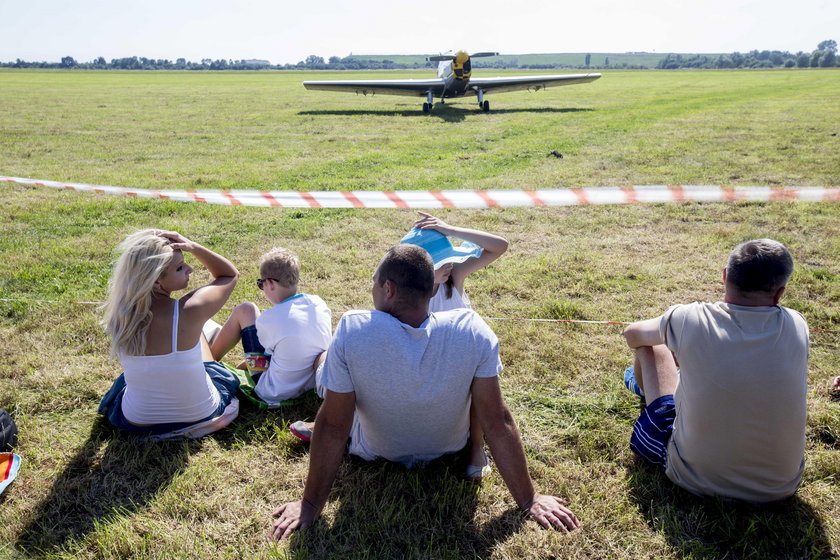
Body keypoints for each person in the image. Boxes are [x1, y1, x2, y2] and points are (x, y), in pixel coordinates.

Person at [271, 245, 580, 541]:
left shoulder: (353, 329)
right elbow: (498, 420)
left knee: (328, 373)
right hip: (450, 447)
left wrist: (310, 506)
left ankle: (312, 423)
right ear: (431, 290)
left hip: (374, 449)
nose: (373, 290)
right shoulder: (473, 330)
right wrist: (529, 499)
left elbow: (334, 425)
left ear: (388, 289)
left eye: (374, 284)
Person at [622, 239, 809, 503]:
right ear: (779, 293)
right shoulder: (797, 324)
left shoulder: (688, 317)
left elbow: (633, 335)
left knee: (653, 348)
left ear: (724, 276)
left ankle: (640, 385)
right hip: (780, 486)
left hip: (692, 478)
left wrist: (680, 345)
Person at [98, 230, 241, 437]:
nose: (190, 269)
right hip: (201, 414)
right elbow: (228, 275)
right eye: (180, 267)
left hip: (138, 421)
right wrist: (194, 247)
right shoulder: (190, 310)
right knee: (199, 337)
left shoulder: (118, 317)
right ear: (156, 281)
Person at [400, 212, 508, 481]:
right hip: (424, 366)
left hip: (461, 362)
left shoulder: (454, 276)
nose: (448, 264)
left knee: (479, 384)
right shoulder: (405, 293)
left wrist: (450, 230)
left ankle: (475, 447)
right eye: (440, 261)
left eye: (450, 257)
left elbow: (500, 245)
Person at [209, 247, 332, 406]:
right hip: (312, 384)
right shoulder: (318, 303)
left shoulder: (269, 319)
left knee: (245, 309)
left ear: (270, 283)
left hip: (273, 391)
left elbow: (263, 357)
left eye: (261, 284)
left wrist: (242, 366)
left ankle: (209, 360)